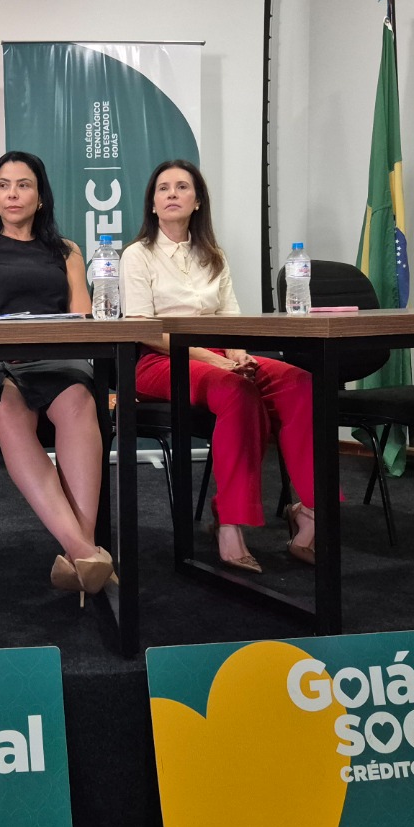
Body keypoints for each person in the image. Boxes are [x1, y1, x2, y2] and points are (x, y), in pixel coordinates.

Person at [119, 159, 317, 572]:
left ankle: (311, 510)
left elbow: (230, 318)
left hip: (220, 356)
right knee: (236, 390)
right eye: (163, 189)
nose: (172, 194)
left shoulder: (214, 255)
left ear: (198, 201)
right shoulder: (138, 254)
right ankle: (229, 520)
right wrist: (214, 359)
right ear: (152, 204)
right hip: (160, 359)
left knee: (297, 382)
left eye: (182, 187)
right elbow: (143, 330)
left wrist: (239, 354)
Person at [0, 151, 114, 597]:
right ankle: (85, 550)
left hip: (54, 360)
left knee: (80, 400)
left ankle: (80, 555)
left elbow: (83, 322)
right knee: (8, 410)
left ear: (40, 198)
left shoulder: (67, 251)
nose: (13, 194)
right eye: (3, 186)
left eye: (23, 185)